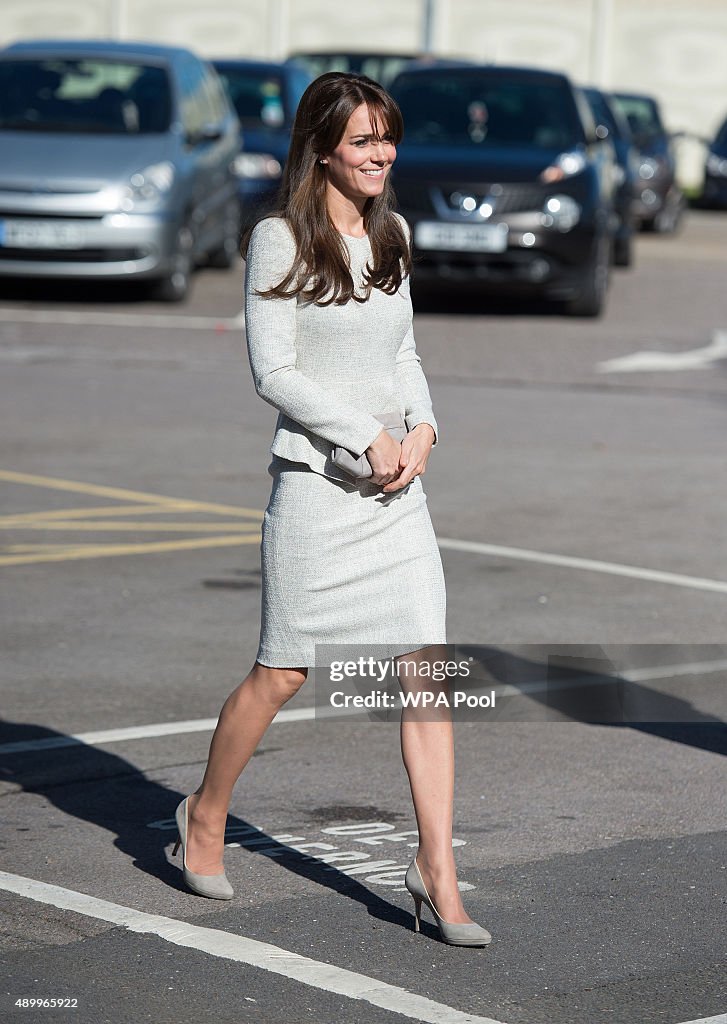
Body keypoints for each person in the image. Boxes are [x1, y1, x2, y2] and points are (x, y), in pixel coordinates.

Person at [171, 72, 491, 947]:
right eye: (362, 140)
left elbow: (405, 352)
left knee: (428, 672)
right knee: (283, 671)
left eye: (386, 137)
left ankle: (437, 872)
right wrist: (361, 434)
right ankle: (203, 815)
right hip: (317, 489)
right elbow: (273, 372)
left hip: (398, 496)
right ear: (321, 148)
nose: (380, 153)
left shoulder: (392, 231)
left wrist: (423, 426)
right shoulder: (278, 240)